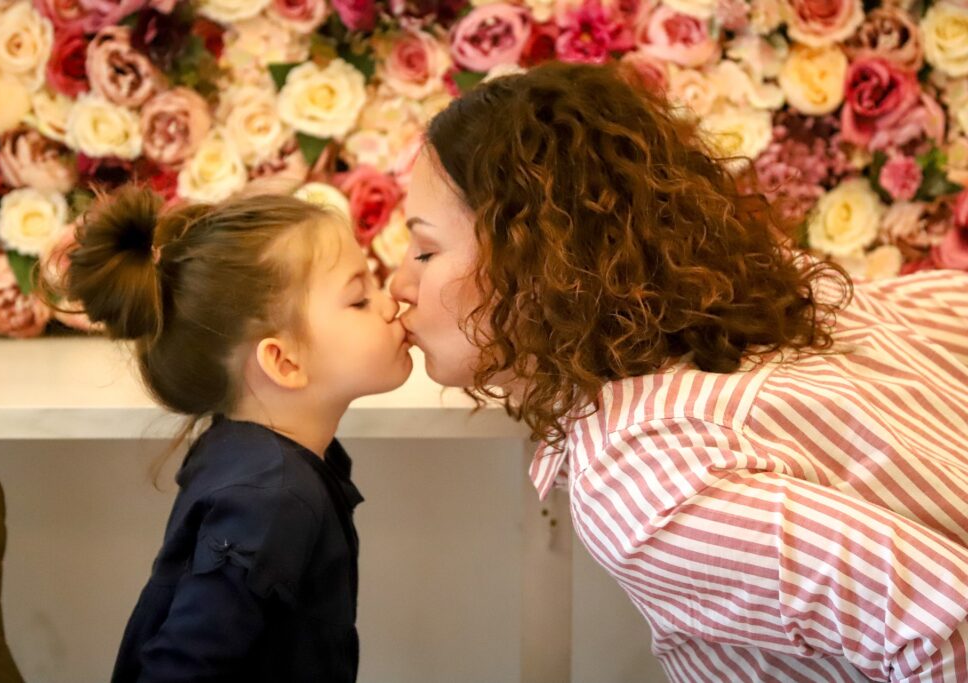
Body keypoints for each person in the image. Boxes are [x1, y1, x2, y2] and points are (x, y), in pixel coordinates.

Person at [390, 61, 968, 681]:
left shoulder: (641, 474)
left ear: (537, 260)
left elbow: (948, 626)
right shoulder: (798, 303)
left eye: (426, 251)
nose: (399, 284)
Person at [56, 187, 412, 682]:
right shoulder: (269, 499)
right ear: (283, 360)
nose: (391, 301)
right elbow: (182, 667)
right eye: (359, 298)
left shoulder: (259, 459)